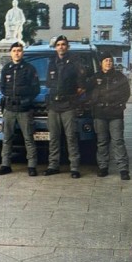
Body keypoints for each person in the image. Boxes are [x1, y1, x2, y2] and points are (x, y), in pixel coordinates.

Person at [45, 35, 86, 178]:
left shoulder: (74, 62)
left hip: (68, 105)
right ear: (55, 47)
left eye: (63, 44)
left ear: (67, 47)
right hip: (54, 105)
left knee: (71, 137)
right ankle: (53, 165)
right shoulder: (52, 62)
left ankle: (74, 168)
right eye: (58, 44)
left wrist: (73, 98)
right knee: (54, 137)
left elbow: (81, 85)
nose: (61, 47)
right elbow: (49, 84)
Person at [0, 42, 40, 176]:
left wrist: (27, 100)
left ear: (22, 53)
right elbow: (2, 88)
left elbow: (36, 88)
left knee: (28, 138)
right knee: (7, 138)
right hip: (9, 108)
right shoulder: (6, 69)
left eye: (19, 50)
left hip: (24, 109)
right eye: (14, 50)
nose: (17, 53)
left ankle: (32, 166)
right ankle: (5, 165)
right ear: (11, 53)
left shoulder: (29, 69)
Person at [88, 52, 131, 180]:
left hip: (115, 113)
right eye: (106, 60)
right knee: (102, 142)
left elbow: (126, 93)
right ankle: (103, 167)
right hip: (100, 113)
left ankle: (123, 169)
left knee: (118, 141)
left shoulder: (119, 77)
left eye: (110, 61)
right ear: (101, 63)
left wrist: (118, 105)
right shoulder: (95, 77)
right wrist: (94, 102)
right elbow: (88, 91)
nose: (108, 63)